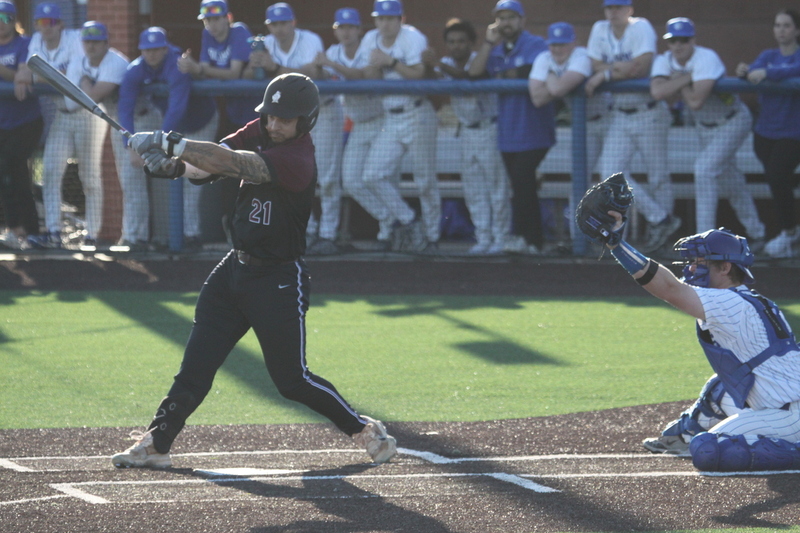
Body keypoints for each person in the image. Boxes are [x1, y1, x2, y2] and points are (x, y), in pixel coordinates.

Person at [111, 73, 397, 468]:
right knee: (195, 368)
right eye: (270, 116)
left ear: (307, 120)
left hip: (278, 279)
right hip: (233, 271)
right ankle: (158, 442)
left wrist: (170, 143)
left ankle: (363, 429)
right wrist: (174, 167)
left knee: (292, 381)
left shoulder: (298, 158)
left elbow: (232, 162)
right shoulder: (260, 129)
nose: (274, 124)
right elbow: (208, 165)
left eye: (285, 118)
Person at [580, 195, 800, 471]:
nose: (691, 268)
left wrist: (616, 244)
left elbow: (669, 288)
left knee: (710, 450)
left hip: (791, 414)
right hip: (781, 401)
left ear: (725, 267)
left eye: (700, 262)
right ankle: (684, 436)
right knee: (719, 388)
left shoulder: (729, 302)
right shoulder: (746, 300)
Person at [650, 18, 765, 247]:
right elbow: (657, 92)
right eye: (673, 40)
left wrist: (678, 82)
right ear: (668, 43)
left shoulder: (706, 57)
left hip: (732, 120)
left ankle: (704, 241)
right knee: (732, 182)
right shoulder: (664, 60)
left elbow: (695, 102)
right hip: (705, 127)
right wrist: (687, 78)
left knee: (703, 169)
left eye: (683, 40)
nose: (678, 45)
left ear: (693, 40)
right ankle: (758, 233)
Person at [246, 3, 344, 255]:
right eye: (274, 24)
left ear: (293, 22)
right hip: (291, 121)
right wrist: (254, 64)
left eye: (283, 23)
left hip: (324, 112)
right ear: (269, 26)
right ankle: (306, 230)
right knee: (296, 176)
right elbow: (248, 75)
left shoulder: (310, 40)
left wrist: (274, 68)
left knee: (329, 178)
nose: (279, 29)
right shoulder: (265, 42)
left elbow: (312, 74)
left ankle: (328, 235)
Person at [585, 0, 680, 253]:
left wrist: (606, 74)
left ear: (629, 9)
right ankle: (661, 219)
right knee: (609, 175)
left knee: (658, 177)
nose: (613, 12)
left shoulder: (641, 27)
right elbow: (594, 64)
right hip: (619, 114)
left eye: (618, 7)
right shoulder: (599, 29)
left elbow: (642, 67)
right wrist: (620, 69)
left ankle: (666, 240)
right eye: (609, 8)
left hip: (648, 113)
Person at [118, 27, 218, 252]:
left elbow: (177, 109)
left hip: (199, 123)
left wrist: (161, 143)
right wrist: (130, 144)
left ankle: (191, 236)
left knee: (193, 178)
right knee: (152, 173)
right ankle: (140, 237)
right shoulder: (135, 69)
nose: (152, 54)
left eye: (156, 49)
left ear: (165, 48)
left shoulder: (177, 65)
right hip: (172, 126)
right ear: (141, 50)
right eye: (147, 49)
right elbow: (125, 108)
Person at [468, 0, 555, 255]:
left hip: (534, 129)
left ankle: (531, 239)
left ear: (522, 21)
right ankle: (527, 240)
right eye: (501, 18)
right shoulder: (495, 50)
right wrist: (486, 43)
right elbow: (475, 73)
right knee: (520, 185)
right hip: (507, 132)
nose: (506, 23)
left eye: (511, 17)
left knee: (522, 181)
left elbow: (529, 70)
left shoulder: (535, 43)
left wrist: (501, 76)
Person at [357, 0, 440, 253]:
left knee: (425, 181)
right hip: (390, 117)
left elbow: (418, 75)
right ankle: (409, 219)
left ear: (400, 19)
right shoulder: (371, 38)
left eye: (390, 18)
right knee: (371, 175)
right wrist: (376, 64)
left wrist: (389, 62)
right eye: (380, 18)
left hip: (417, 112)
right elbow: (367, 78)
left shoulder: (413, 37)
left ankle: (433, 237)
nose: (385, 23)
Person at [423, 18, 511, 255]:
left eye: (462, 41)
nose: (456, 46)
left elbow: (469, 76)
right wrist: (429, 66)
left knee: (497, 188)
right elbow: (432, 84)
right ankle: (483, 237)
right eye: (451, 42)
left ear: (472, 43)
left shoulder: (481, 59)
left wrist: (438, 66)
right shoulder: (445, 62)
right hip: (465, 132)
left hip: (489, 128)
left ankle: (501, 238)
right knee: (473, 189)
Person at [312, 8, 398, 249]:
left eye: (351, 27)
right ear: (336, 30)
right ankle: (390, 218)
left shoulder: (369, 49)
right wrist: (320, 67)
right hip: (358, 122)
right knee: (350, 181)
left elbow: (360, 77)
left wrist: (331, 65)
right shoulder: (333, 51)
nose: (346, 32)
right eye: (342, 27)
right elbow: (322, 79)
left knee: (382, 178)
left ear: (360, 29)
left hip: (382, 121)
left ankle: (388, 233)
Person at [178, 0, 259, 247]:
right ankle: (238, 232)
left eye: (216, 18)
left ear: (228, 17)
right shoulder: (207, 36)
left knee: (263, 176)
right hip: (235, 116)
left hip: (259, 117)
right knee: (233, 178)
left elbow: (233, 72)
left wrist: (199, 68)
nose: (212, 24)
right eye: (207, 19)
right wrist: (196, 68)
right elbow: (205, 69)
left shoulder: (239, 31)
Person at [528, 21, 612, 241]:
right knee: (579, 179)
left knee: (613, 176)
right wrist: (554, 81)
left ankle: (618, 236)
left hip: (611, 120)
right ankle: (580, 237)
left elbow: (557, 89)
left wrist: (549, 78)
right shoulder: (543, 58)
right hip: (584, 125)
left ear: (573, 43)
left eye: (563, 44)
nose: (557, 49)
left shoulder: (582, 56)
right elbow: (537, 99)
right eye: (554, 44)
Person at [14, 2, 83, 248]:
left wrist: (34, 75)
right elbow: (25, 69)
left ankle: (95, 234)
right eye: (41, 23)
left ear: (61, 24)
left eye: (50, 22)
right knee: (52, 171)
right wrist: (26, 72)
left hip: (87, 114)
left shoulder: (75, 38)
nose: (46, 27)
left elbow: (67, 79)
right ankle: (54, 232)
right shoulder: (36, 42)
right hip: (61, 116)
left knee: (91, 177)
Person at [736, 9, 800, 259]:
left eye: (786, 25)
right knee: (777, 181)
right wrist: (745, 71)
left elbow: (788, 70)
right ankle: (790, 233)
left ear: (796, 30)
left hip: (793, 134)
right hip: (765, 133)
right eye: (777, 25)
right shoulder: (768, 55)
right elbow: (753, 70)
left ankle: (788, 233)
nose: (781, 30)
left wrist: (768, 74)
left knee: (777, 174)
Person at [0, 0, 43, 250]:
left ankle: (32, 230)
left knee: (15, 169)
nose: (1, 25)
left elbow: (20, 75)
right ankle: (13, 229)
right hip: (2, 124)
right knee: (3, 174)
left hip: (26, 122)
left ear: (13, 21)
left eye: (5, 19)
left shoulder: (26, 44)